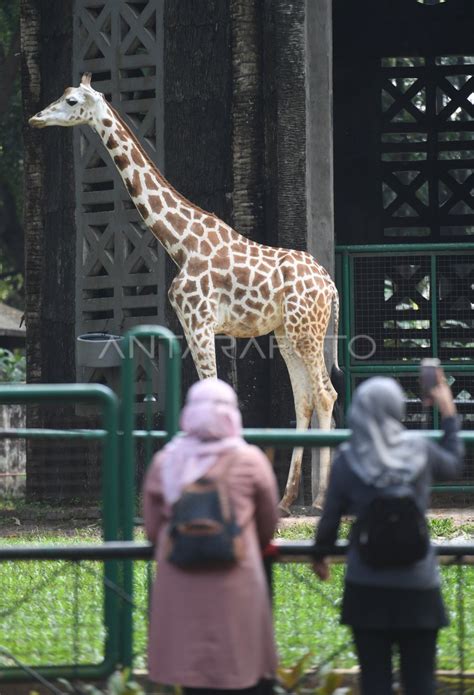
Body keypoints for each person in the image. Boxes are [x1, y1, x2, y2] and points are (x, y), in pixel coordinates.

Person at [312, 372, 464, 695]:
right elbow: (453, 464)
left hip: (366, 586)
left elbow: (329, 522)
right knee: (421, 681)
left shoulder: (348, 459)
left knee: (375, 681)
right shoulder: (418, 449)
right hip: (419, 586)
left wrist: (319, 555)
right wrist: (449, 414)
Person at [143, 377, 279, 695]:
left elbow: (152, 530)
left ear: (189, 413)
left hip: (180, 582)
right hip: (237, 582)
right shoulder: (250, 461)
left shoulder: (165, 462)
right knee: (240, 669)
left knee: (194, 676)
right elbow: (267, 524)